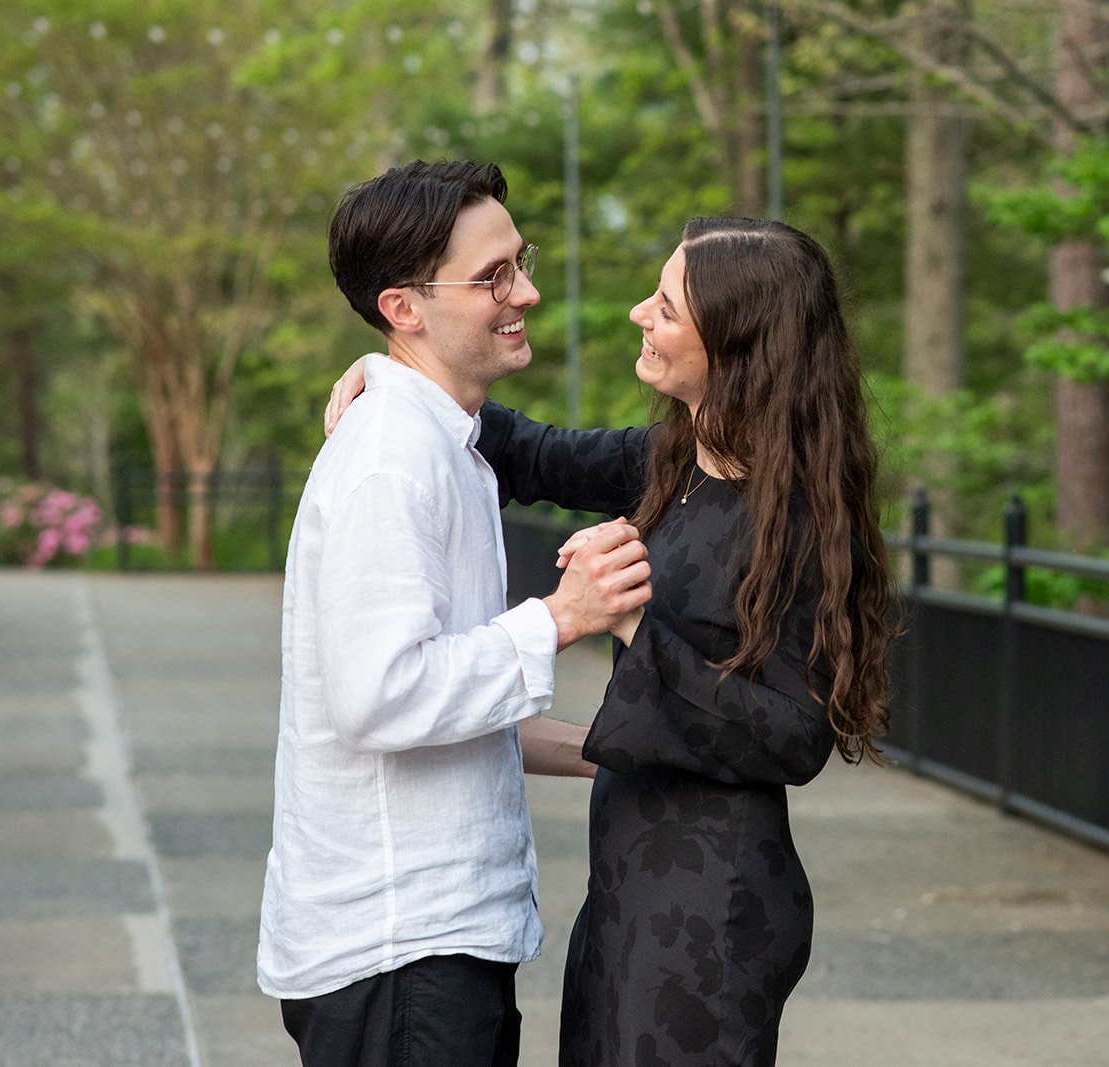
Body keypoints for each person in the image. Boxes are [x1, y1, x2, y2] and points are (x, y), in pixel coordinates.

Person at [327, 216, 896, 1066]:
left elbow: (794, 736)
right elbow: (528, 452)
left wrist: (630, 620)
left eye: (665, 307)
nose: (640, 313)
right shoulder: (675, 458)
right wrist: (396, 367)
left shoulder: (800, 520)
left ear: (738, 345)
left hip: (712, 908)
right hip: (631, 882)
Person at [259, 159, 652, 1067]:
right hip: (398, 951)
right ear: (405, 308)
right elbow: (384, 698)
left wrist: (636, 747)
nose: (528, 291)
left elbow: (460, 713)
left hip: (433, 942)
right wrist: (564, 615)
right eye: (494, 277)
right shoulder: (394, 458)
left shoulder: (446, 439)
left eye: (521, 261)